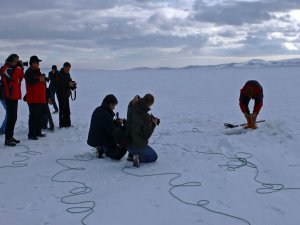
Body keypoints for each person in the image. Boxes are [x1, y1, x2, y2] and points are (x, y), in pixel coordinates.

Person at [87, 94, 127, 160]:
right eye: (114, 105)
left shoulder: (99, 109)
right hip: (99, 139)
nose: (114, 108)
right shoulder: (106, 114)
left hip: (94, 138)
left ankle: (102, 148)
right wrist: (120, 126)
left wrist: (116, 122)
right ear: (110, 104)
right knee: (118, 154)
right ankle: (103, 148)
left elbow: (105, 124)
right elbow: (111, 131)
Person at [126, 94, 159, 167]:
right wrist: (153, 124)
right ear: (150, 104)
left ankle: (131, 155)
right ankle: (137, 157)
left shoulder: (131, 105)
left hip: (127, 142)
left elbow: (135, 100)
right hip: (137, 145)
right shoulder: (146, 117)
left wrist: (137, 97)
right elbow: (146, 135)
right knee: (154, 157)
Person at [0, 54, 24, 146]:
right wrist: (18, 68)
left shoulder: (14, 69)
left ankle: (10, 136)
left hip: (14, 96)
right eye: (16, 60)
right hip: (9, 96)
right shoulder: (5, 68)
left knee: (14, 117)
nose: (17, 62)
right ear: (12, 60)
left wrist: (21, 68)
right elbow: (13, 79)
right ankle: (7, 139)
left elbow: (20, 78)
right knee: (10, 118)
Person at [25, 55, 47, 140]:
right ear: (32, 63)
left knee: (39, 117)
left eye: (38, 62)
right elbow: (30, 82)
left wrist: (43, 80)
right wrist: (39, 80)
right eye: (36, 62)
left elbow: (40, 81)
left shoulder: (38, 71)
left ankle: (38, 132)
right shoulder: (29, 72)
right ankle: (31, 134)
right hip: (33, 99)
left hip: (40, 98)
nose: (38, 64)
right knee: (33, 117)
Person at [56, 62, 76, 128]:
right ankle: (62, 125)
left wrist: (73, 85)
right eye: (67, 68)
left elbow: (69, 82)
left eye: (69, 69)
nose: (68, 70)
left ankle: (68, 124)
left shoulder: (67, 74)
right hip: (61, 95)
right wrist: (68, 84)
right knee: (62, 110)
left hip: (66, 94)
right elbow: (60, 85)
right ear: (64, 67)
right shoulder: (59, 74)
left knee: (67, 110)